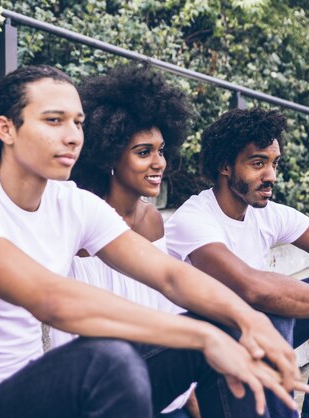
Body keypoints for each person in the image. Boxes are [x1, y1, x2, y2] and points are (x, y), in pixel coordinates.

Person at [0, 65, 309, 418]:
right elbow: (51, 300)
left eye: (78, 122)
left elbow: (170, 276)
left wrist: (246, 318)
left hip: (48, 386)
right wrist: (201, 336)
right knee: (111, 360)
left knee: (233, 325)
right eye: (54, 120)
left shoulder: (73, 203)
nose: (71, 136)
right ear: (6, 129)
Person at [164, 108, 309, 417]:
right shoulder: (193, 219)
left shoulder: (268, 214)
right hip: (201, 351)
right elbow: (254, 289)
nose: (271, 176)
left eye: (274, 163)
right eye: (258, 163)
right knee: (271, 309)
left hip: (251, 334)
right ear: (225, 165)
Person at [49, 65, 198, 418]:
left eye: (161, 150)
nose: (159, 162)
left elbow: (165, 304)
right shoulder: (82, 220)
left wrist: (189, 398)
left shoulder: (152, 219)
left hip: (159, 381)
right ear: (110, 155)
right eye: (144, 152)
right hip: (100, 382)